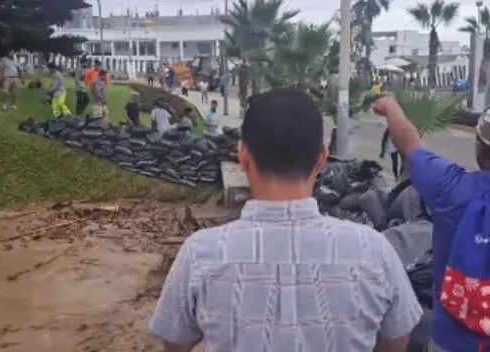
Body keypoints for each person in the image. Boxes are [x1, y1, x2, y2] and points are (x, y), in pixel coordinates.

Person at [149, 88, 422, 352]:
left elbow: (175, 342)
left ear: (243, 156)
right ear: (322, 158)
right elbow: (397, 340)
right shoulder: (373, 251)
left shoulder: (201, 253)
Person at [373, 97, 490, 351]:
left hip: (451, 342)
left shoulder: (451, 189)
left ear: (480, 150)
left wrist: (392, 108)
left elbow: (409, 144)